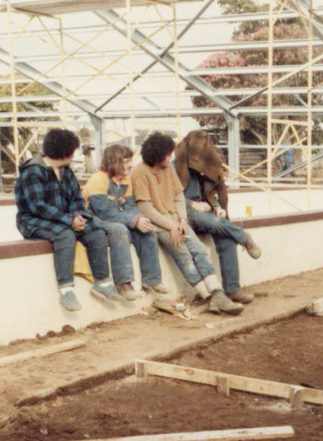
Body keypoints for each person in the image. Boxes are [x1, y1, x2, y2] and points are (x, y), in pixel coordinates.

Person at [129, 131, 243, 315]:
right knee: (184, 255)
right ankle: (208, 297)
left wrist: (182, 219)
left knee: (199, 250)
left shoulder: (169, 168)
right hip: (159, 224)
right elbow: (145, 208)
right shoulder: (139, 172)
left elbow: (178, 196)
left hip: (176, 220)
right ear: (156, 155)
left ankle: (217, 294)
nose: (169, 158)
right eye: (166, 155)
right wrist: (171, 226)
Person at [15, 128, 122, 312]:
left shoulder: (67, 171)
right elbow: (38, 206)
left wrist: (78, 216)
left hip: (64, 219)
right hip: (32, 220)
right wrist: (69, 220)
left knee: (96, 232)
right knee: (65, 235)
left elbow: (76, 198)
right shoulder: (33, 171)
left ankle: (103, 282)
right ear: (65, 152)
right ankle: (66, 289)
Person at [173, 130, 261, 305]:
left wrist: (217, 206)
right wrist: (192, 204)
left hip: (206, 211)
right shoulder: (175, 167)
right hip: (184, 213)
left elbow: (211, 192)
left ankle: (233, 290)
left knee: (227, 239)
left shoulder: (206, 165)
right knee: (212, 221)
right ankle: (243, 236)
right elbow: (169, 196)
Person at [82, 144, 170, 300]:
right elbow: (104, 212)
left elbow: (130, 207)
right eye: (126, 161)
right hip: (92, 218)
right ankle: (123, 284)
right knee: (119, 229)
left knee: (148, 229)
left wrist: (140, 219)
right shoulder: (98, 180)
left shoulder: (125, 181)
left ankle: (152, 280)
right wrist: (133, 221)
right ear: (114, 161)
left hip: (111, 216)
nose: (130, 165)